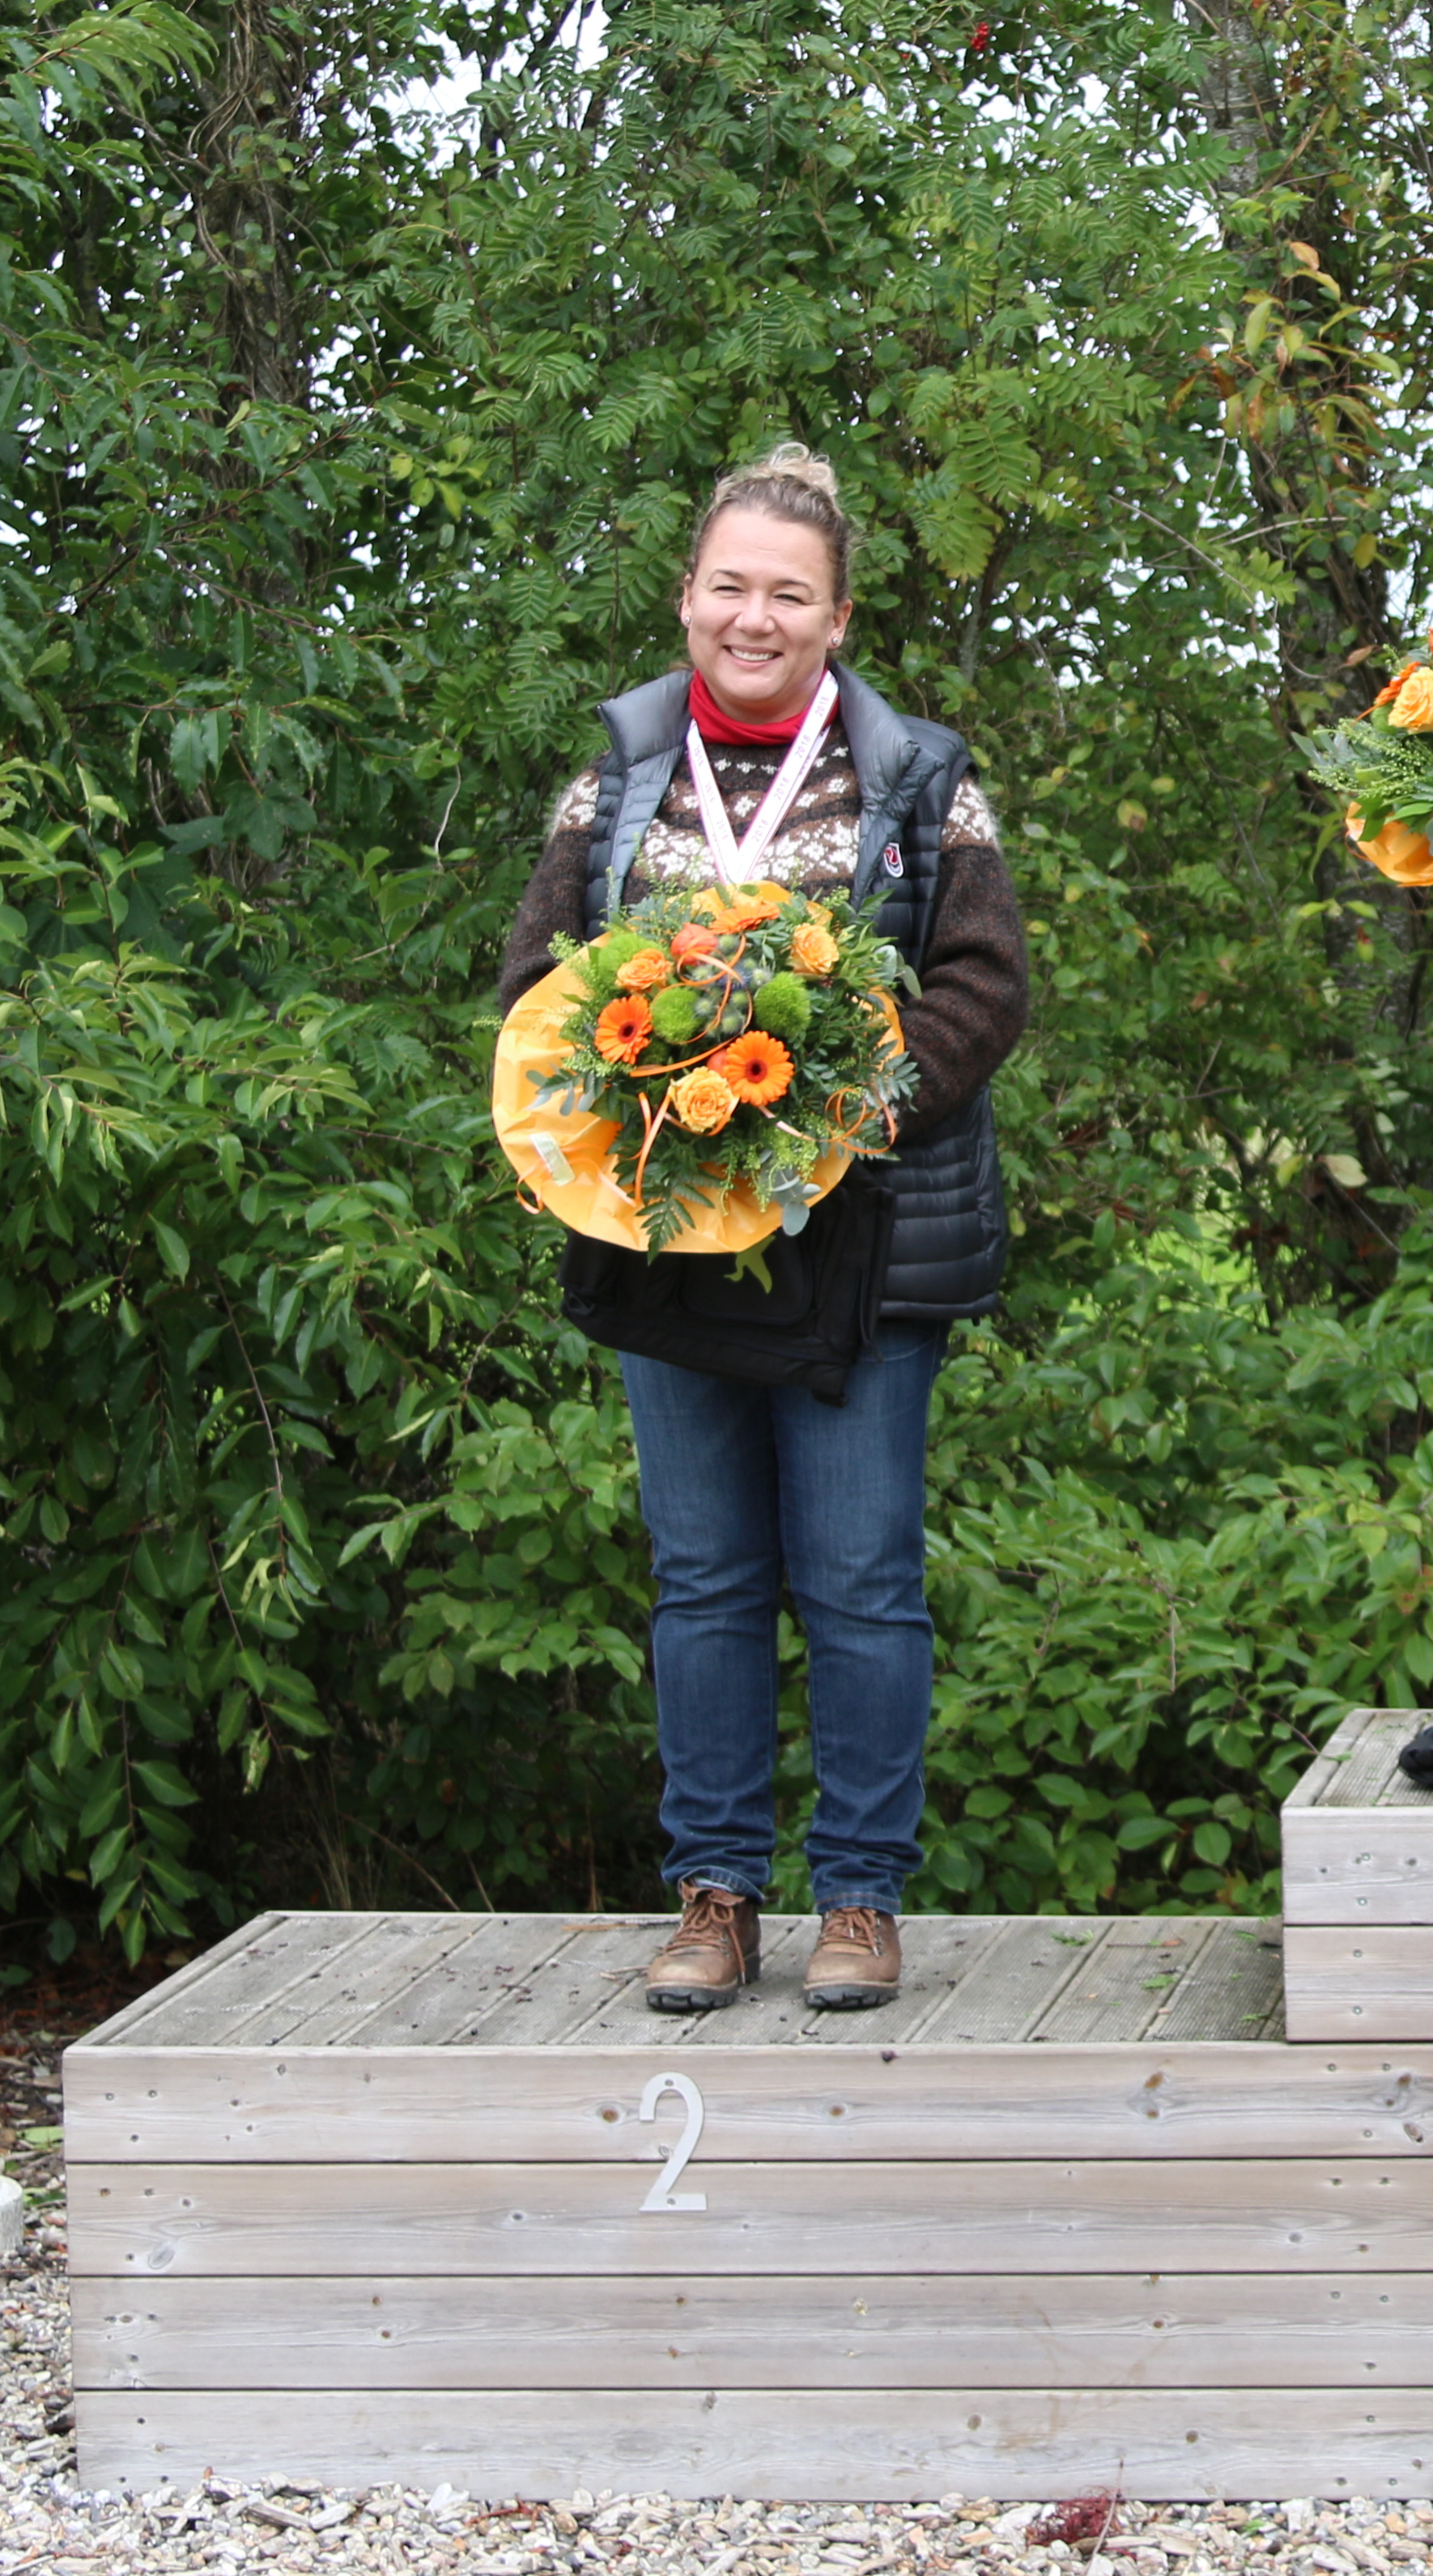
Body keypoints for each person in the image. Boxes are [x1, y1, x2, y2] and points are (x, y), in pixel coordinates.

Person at [496, 444, 1027, 2012]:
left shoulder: (922, 776)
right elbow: (539, 989)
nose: (754, 615)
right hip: (666, 1238)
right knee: (704, 1580)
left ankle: (858, 1899)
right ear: (686, 598)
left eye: (788, 593)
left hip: (863, 1245)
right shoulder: (614, 776)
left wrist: (843, 1116)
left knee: (859, 1577)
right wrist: (633, 1099)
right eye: (729, 585)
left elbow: (987, 989)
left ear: (837, 616)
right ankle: (716, 1894)